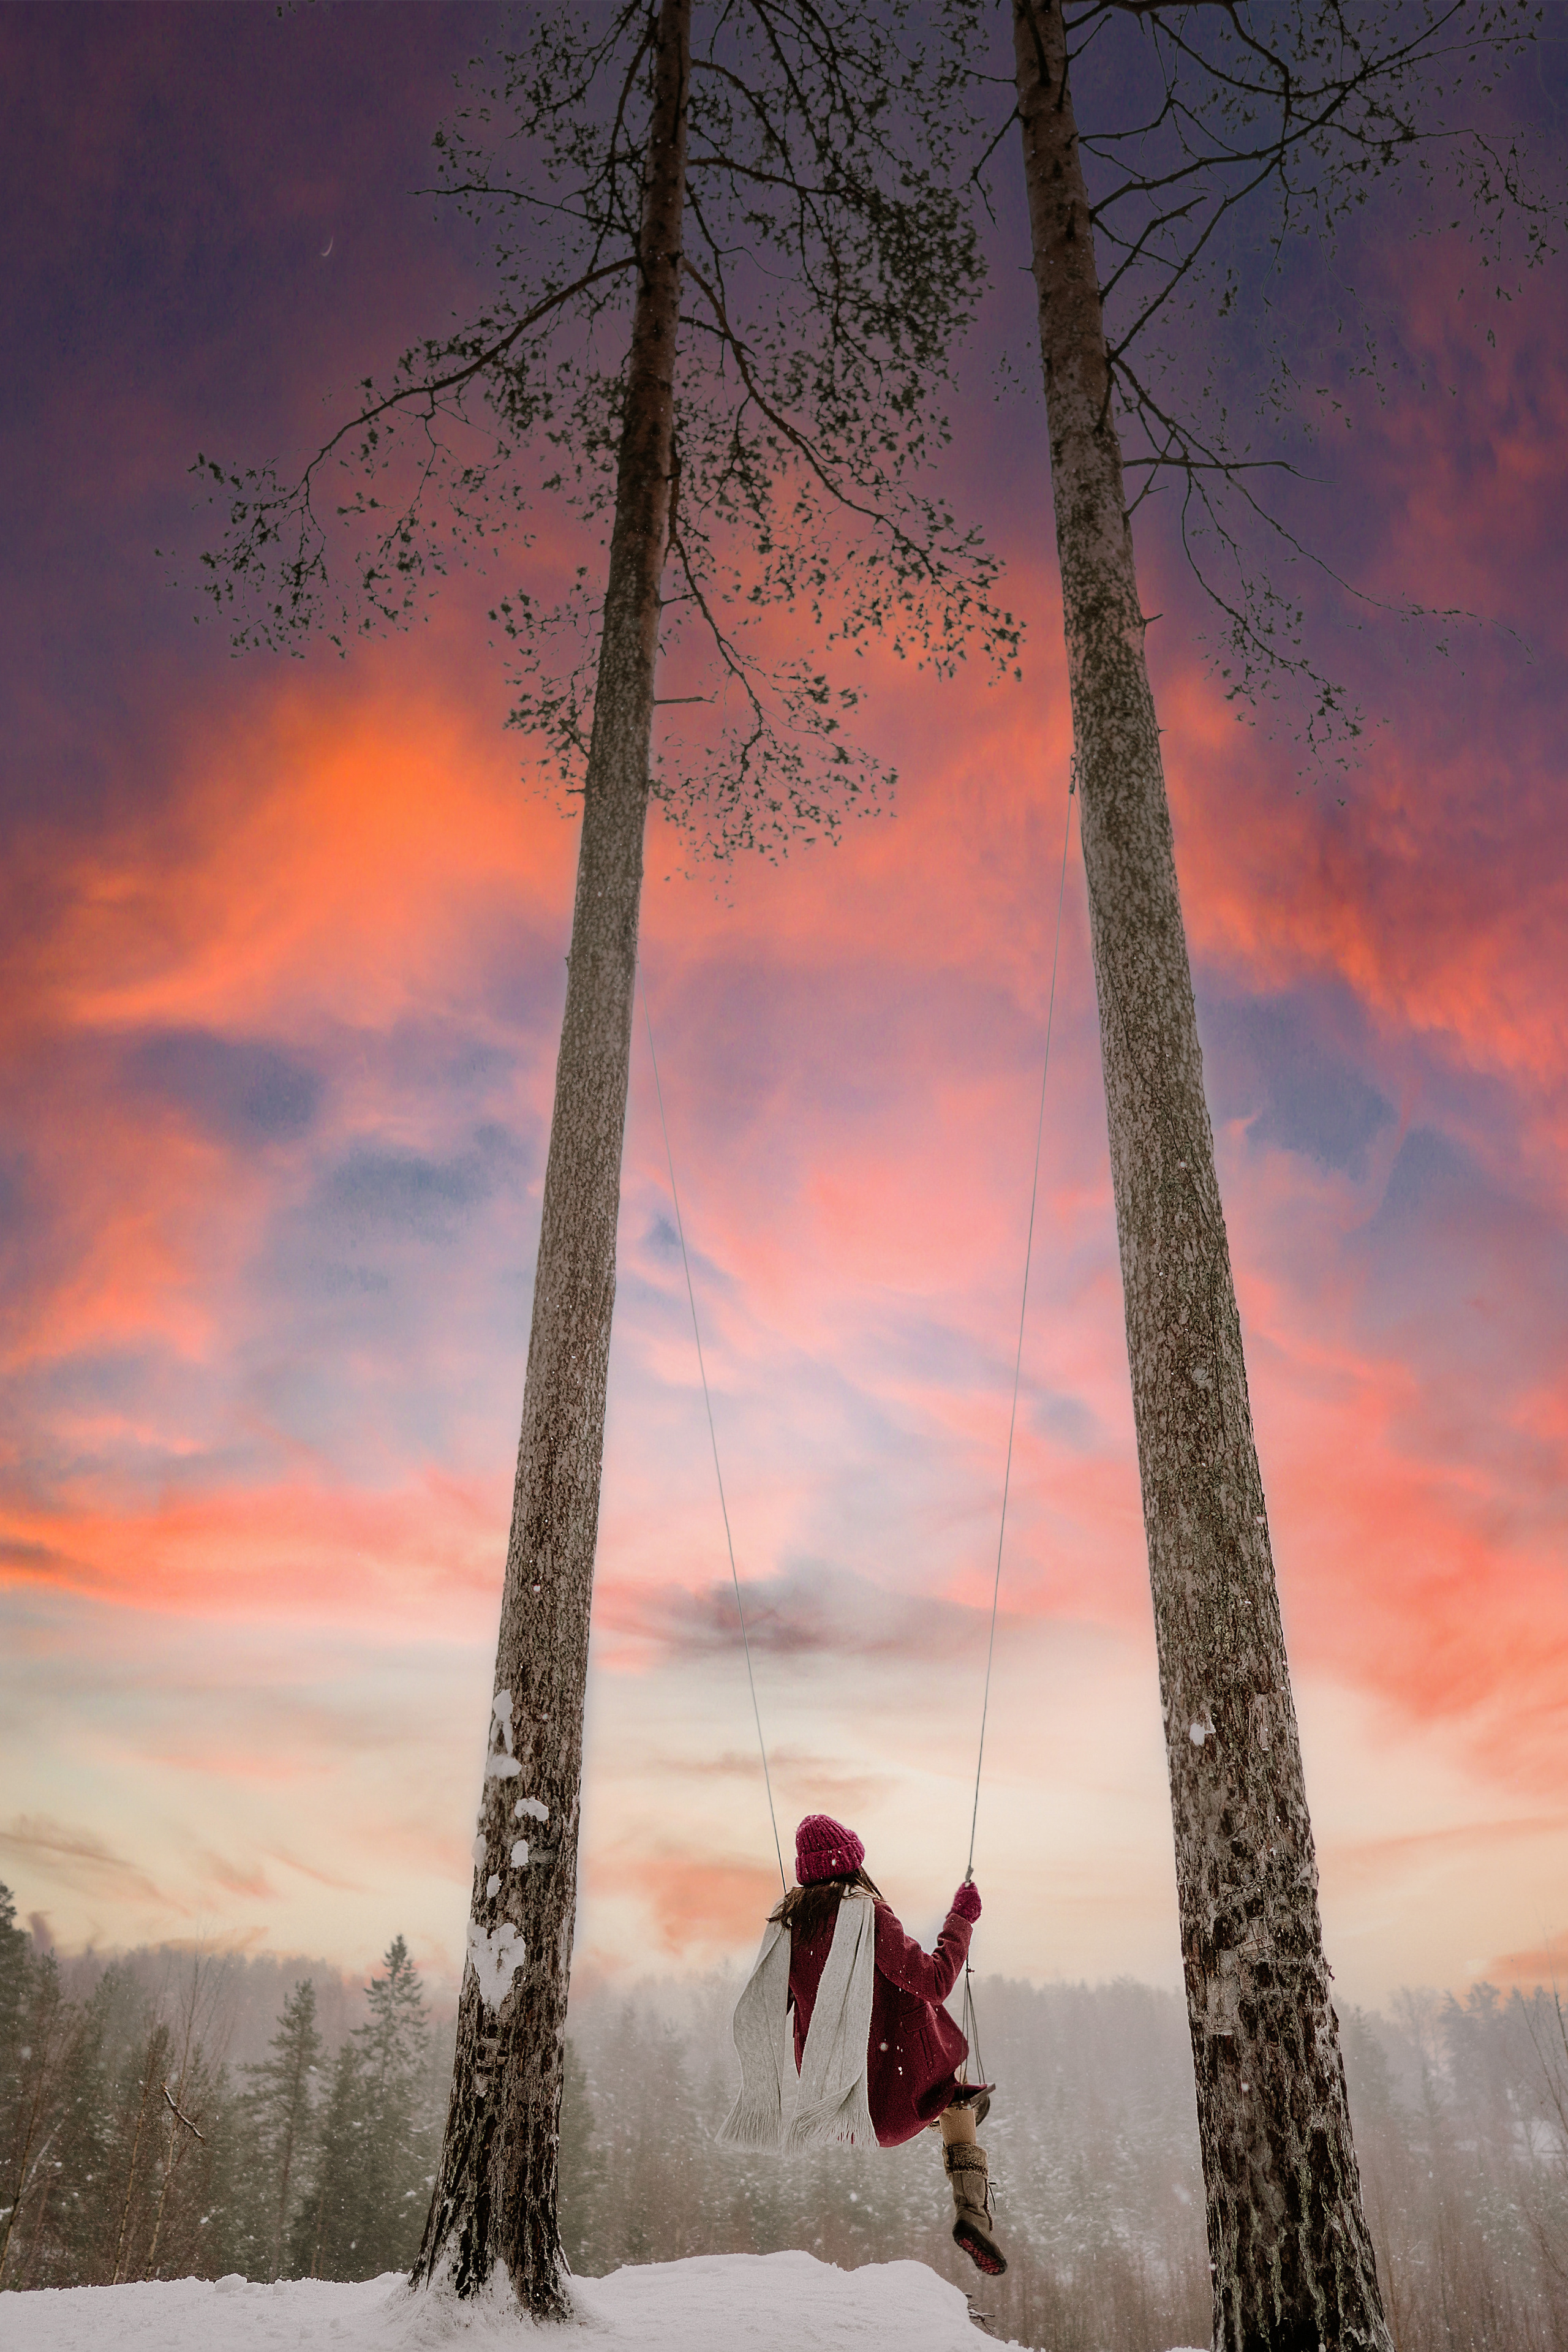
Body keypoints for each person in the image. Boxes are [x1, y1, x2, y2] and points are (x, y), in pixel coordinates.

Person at [718, 1812, 1006, 2277]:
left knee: (953, 2103)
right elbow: (934, 1982)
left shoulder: (789, 1927)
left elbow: (774, 2007)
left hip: (837, 2104)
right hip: (896, 2092)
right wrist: (962, 1919)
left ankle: (952, 2111)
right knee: (955, 2106)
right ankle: (971, 2210)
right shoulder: (867, 1916)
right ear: (853, 1862)